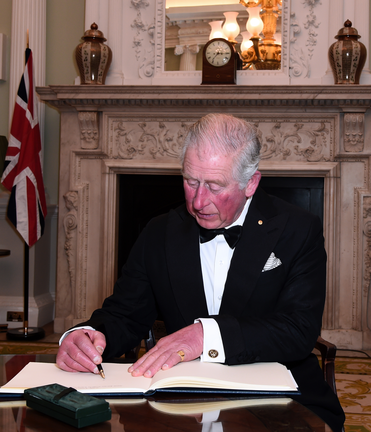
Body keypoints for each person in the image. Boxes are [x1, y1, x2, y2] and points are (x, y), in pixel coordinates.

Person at [56, 113, 345, 430]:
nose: (197, 200)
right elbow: (125, 313)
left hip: (280, 400)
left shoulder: (298, 229)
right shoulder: (159, 232)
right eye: (190, 181)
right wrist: (89, 336)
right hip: (183, 401)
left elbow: (298, 330)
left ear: (251, 183)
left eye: (215, 186)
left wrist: (206, 335)